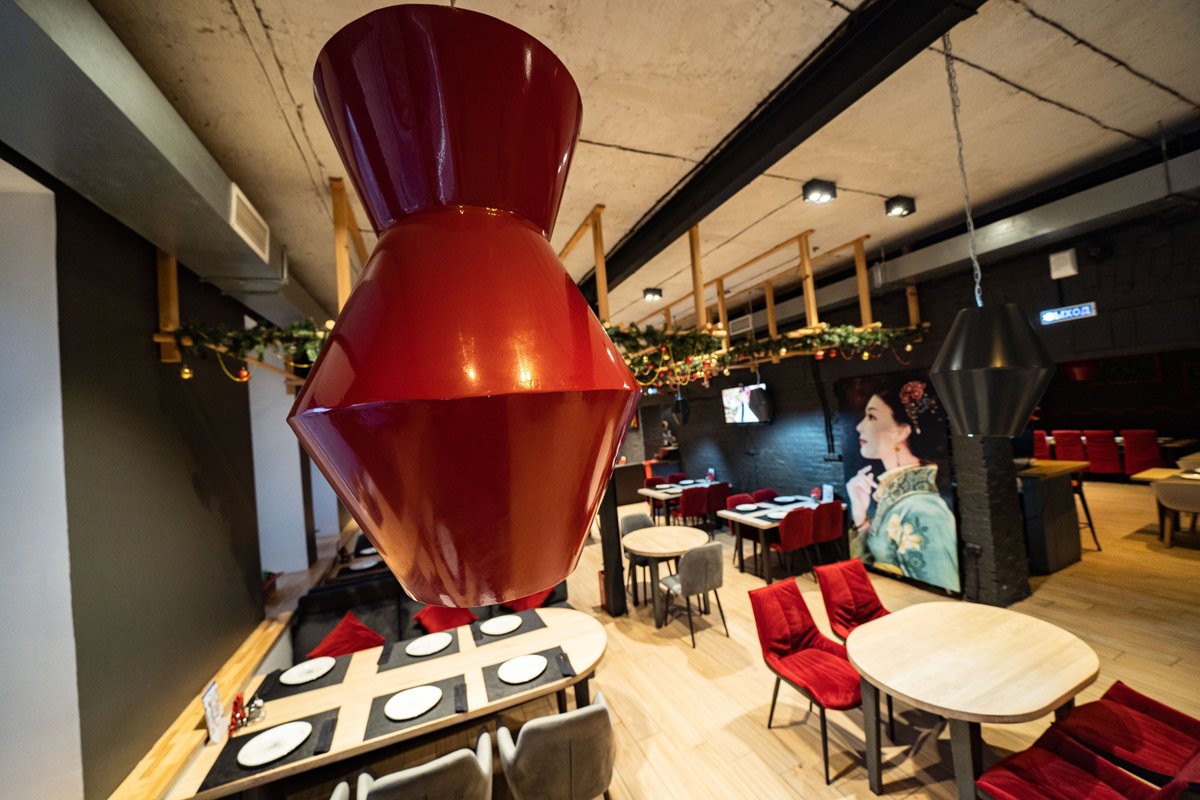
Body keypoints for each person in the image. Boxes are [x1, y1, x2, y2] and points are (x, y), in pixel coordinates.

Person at [846, 379, 960, 592]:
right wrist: (860, 515)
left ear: (901, 431)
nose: (860, 426)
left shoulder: (923, 510)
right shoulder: (896, 499)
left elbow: (938, 590)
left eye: (872, 417)